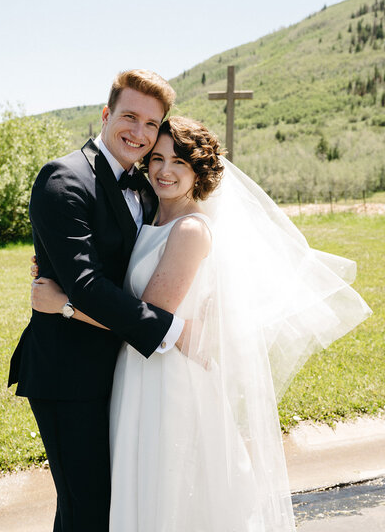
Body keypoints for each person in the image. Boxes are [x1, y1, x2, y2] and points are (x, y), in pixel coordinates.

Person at [30, 116, 372, 531]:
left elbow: (146, 318)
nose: (164, 170)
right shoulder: (149, 216)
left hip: (167, 378)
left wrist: (63, 304)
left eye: (179, 162)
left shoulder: (190, 229)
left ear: (199, 172)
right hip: (138, 369)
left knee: (168, 496)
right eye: (157, 158)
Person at [8, 70, 189, 532]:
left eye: (151, 124)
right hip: (69, 374)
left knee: (102, 506)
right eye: (130, 117)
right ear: (106, 115)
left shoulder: (146, 187)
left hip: (122, 370)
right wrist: (168, 328)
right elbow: (86, 284)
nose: (140, 132)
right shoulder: (63, 178)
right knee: (87, 509)